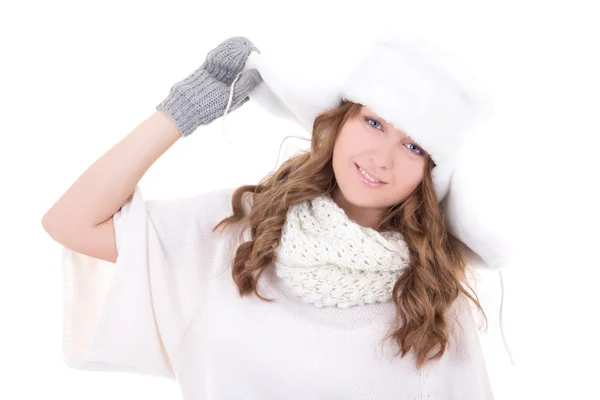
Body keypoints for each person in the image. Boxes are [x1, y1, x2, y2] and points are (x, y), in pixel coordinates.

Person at [42, 35, 510, 399]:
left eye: (413, 146)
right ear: (339, 120)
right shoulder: (239, 229)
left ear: (431, 173)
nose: (381, 158)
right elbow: (71, 223)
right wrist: (178, 114)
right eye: (373, 122)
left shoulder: (430, 295)